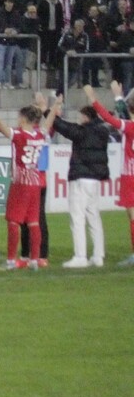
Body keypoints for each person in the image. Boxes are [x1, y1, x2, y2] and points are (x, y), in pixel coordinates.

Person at [0, 82, 58, 271]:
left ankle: (11, 261)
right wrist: (54, 108)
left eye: (19, 116)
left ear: (24, 119)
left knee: (14, 221)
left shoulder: (20, 135)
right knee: (33, 222)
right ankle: (34, 260)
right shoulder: (40, 135)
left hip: (21, 182)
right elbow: (48, 123)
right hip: (35, 182)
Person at [56, 85, 116, 267]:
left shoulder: (83, 132)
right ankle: (98, 256)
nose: (79, 119)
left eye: (80, 116)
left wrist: (50, 113)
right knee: (94, 217)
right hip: (95, 180)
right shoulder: (103, 131)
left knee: (77, 217)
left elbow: (65, 128)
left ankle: (80, 256)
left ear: (85, 117)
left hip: (81, 178)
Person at [89, 80, 134, 267]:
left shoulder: (130, 127)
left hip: (131, 176)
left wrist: (94, 100)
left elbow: (110, 118)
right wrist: (118, 97)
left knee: (132, 216)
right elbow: (122, 116)